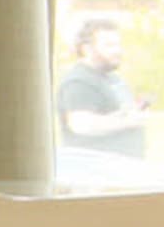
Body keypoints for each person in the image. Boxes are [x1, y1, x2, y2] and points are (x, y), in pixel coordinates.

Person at [55, 16, 149, 160]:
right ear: (86, 49)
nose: (117, 50)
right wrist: (129, 121)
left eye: (118, 45)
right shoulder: (79, 82)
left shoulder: (112, 78)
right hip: (95, 173)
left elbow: (119, 112)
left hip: (122, 170)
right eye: (109, 45)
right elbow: (82, 124)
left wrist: (135, 111)